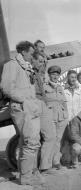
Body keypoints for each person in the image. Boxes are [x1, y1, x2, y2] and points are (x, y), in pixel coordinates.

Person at [0, 41, 44, 185]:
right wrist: (25, 100)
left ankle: (27, 174)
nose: (33, 56)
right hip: (21, 107)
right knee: (30, 142)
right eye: (31, 53)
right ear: (23, 52)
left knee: (31, 142)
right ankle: (26, 178)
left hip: (31, 108)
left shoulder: (27, 67)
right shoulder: (11, 65)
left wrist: (32, 103)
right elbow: (6, 88)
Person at [42, 65, 68, 171]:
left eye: (57, 74)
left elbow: (64, 103)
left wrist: (66, 115)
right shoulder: (44, 86)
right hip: (49, 117)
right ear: (49, 75)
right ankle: (45, 166)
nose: (55, 76)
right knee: (49, 140)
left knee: (58, 140)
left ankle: (55, 162)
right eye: (53, 74)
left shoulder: (60, 87)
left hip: (61, 117)